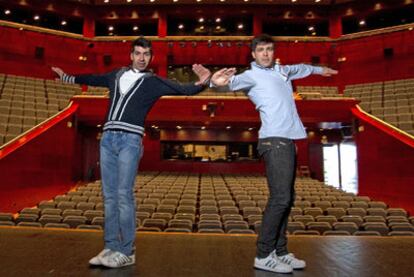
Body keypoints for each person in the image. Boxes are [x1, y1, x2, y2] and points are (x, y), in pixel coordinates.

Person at [52, 37, 211, 268]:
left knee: (124, 195)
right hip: (107, 139)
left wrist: (203, 82)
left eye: (146, 54)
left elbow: (184, 88)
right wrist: (66, 76)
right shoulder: (116, 75)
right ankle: (110, 247)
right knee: (109, 196)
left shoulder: (153, 81)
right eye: (138, 53)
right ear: (131, 55)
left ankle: (127, 250)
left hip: (130, 140)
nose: (142, 58)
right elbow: (92, 78)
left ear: (151, 57)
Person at [210, 34, 338, 274]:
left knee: (287, 199)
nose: (266, 54)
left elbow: (301, 67)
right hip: (273, 140)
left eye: (269, 49)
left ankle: (280, 251)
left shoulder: (282, 71)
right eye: (261, 50)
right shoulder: (249, 76)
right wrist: (214, 83)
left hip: (288, 139)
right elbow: (226, 84)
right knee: (280, 199)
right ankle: (263, 254)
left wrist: (320, 69)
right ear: (253, 54)